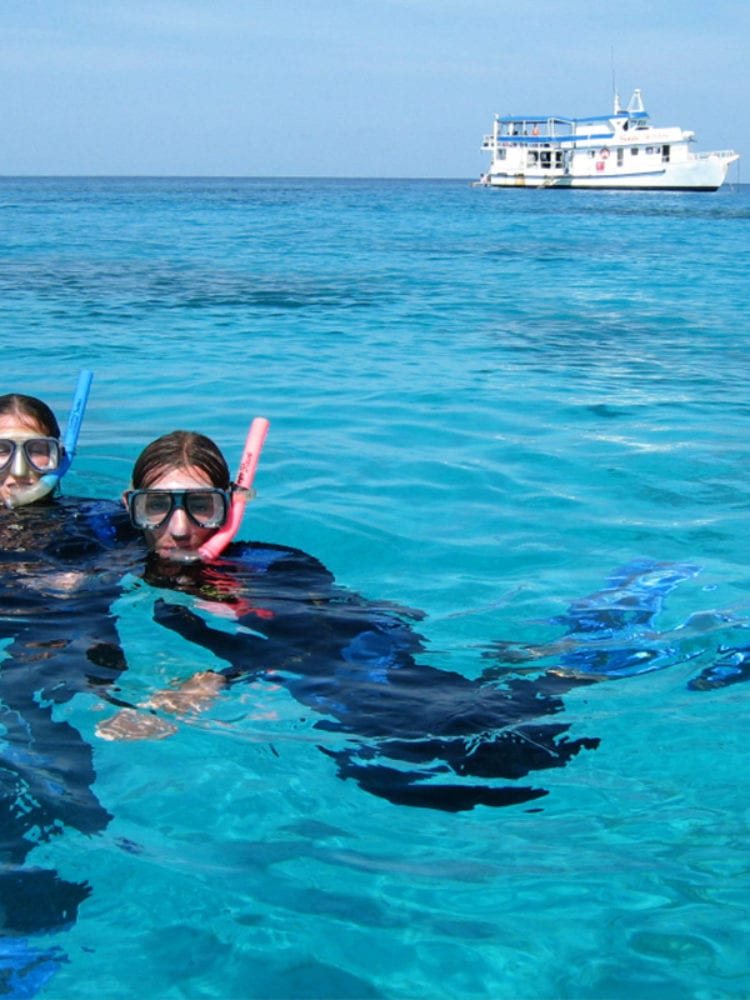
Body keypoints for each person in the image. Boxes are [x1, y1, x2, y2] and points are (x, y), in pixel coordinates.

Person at [97, 428, 604, 811]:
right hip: (321, 681)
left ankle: (567, 661)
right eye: (156, 507)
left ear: (231, 505)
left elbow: (313, 647)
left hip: (365, 665)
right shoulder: (120, 564)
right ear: (130, 507)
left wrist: (220, 677)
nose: (179, 528)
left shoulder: (274, 567)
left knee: (485, 756)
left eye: (200, 506)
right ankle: (534, 663)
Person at [0, 385, 137, 993]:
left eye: (38, 451)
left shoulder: (96, 519)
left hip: (70, 637)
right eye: (0, 452)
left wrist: (86, 575)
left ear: (62, 456)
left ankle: (27, 877)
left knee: (24, 704)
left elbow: (141, 553)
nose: (18, 471)